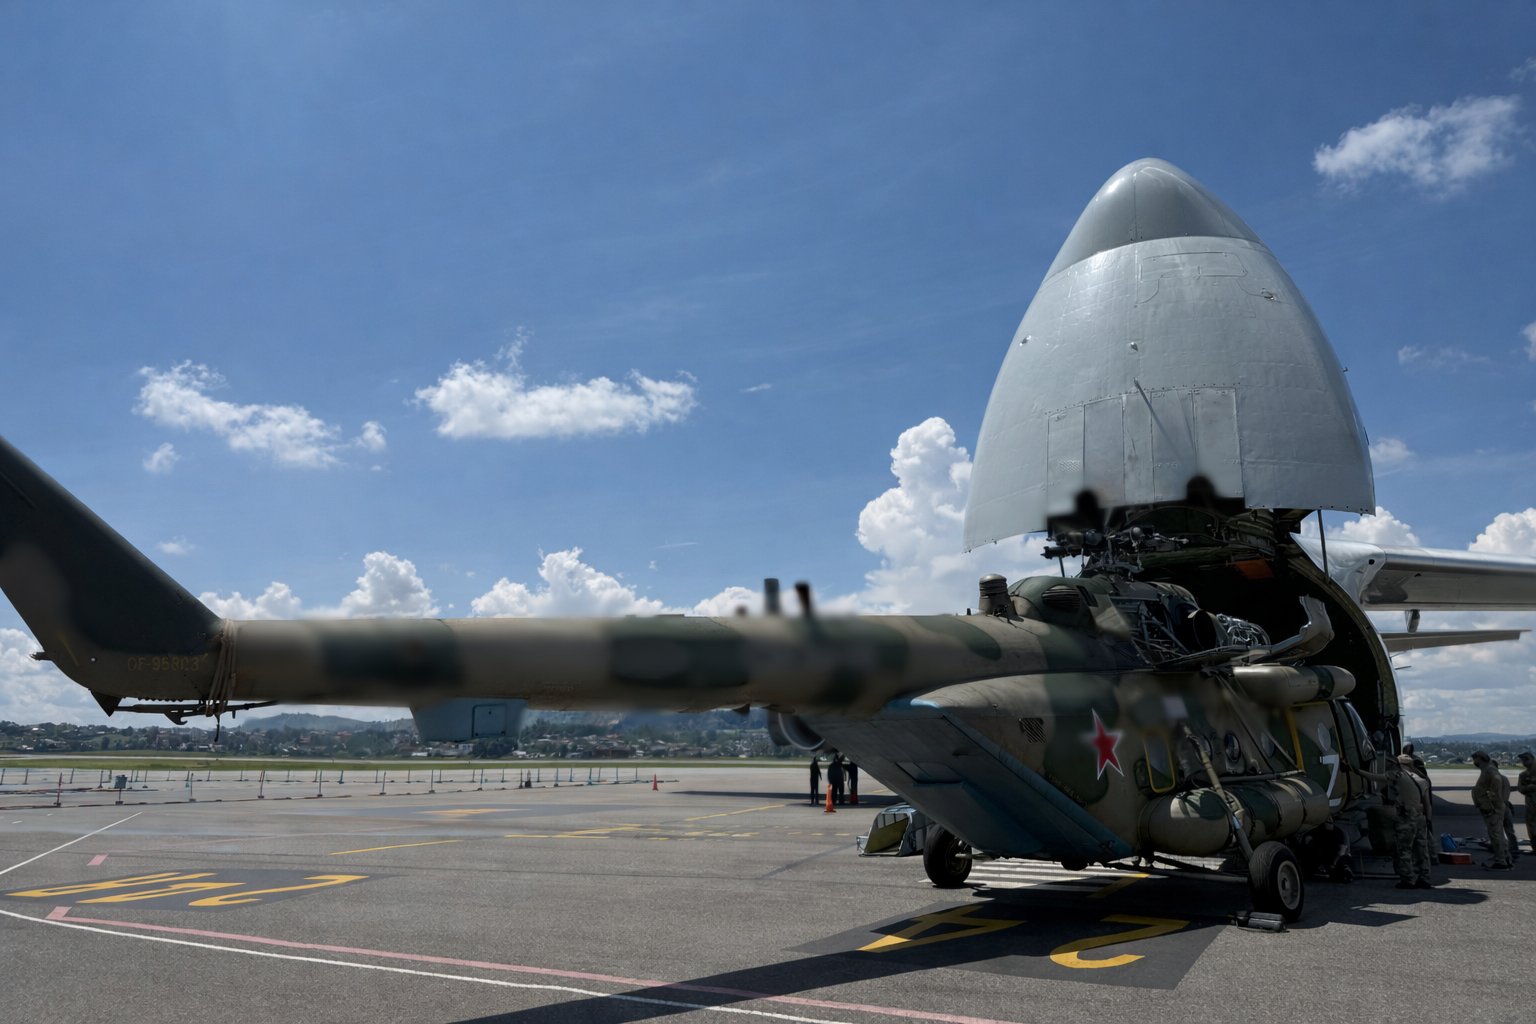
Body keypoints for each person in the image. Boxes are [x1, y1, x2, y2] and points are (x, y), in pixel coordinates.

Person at [1349, 754, 1433, 888]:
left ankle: (1407, 880)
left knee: (1404, 850)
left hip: (1406, 818)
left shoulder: (1397, 775)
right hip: (1420, 818)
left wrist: (1354, 769)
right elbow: (1427, 804)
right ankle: (1424, 878)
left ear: (1398, 763)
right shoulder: (1422, 779)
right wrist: (1428, 820)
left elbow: (1372, 777)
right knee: (1421, 849)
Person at [1471, 751, 1512, 869]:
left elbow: (1497, 780)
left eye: (1475, 759)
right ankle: (1506, 858)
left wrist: (1491, 798)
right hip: (1491, 807)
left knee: (1495, 834)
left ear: (1481, 758)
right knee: (1498, 833)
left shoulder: (1489, 770)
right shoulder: (1487, 770)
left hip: (1493, 809)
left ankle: (1501, 861)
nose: (1474, 762)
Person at [1495, 759, 1521, 860]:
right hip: (1500, 806)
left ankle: (1512, 850)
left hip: (1503, 807)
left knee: (1507, 829)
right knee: (1503, 830)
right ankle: (1506, 850)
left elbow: (1504, 797)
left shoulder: (1501, 779)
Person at [1517, 752, 1536, 853]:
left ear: (1533, 759)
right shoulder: (1523, 775)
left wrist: (1530, 786)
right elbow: (1521, 789)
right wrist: (1532, 786)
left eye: (1526, 759)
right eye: (1523, 760)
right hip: (1530, 806)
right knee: (1531, 826)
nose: (1524, 762)